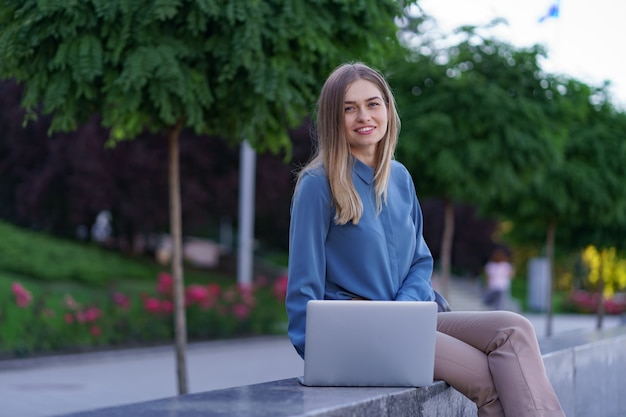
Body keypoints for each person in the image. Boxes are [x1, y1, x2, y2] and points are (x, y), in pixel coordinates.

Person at [285, 62, 565, 417]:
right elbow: (302, 282)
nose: (363, 116)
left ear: (388, 109)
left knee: (515, 328)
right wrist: (319, 356)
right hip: (358, 331)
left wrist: (404, 310)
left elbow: (420, 261)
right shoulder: (318, 185)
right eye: (348, 108)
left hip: (407, 317)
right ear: (331, 118)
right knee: (489, 380)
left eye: (373, 103)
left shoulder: (399, 178)